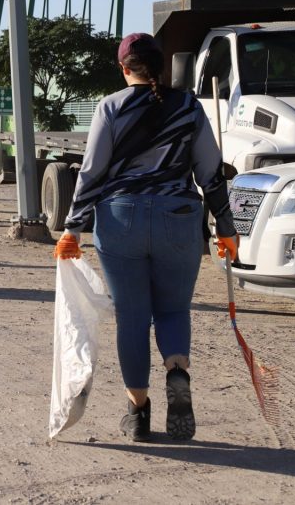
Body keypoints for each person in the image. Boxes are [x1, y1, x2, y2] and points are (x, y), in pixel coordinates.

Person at [54, 32, 239, 443]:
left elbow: (92, 172)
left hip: (121, 220)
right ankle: (176, 371)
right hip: (179, 219)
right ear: (161, 65)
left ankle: (138, 414)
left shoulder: (110, 107)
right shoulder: (189, 106)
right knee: (173, 310)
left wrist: (72, 229)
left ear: (124, 69)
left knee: (133, 319)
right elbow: (210, 173)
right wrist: (226, 230)